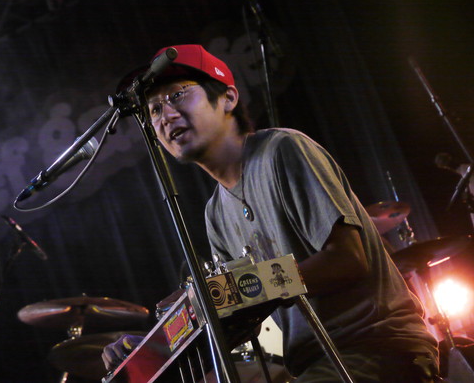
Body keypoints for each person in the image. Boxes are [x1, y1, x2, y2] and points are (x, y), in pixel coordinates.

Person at [102, 44, 439, 382]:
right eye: (154, 109)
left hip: (378, 345)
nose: (165, 116)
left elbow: (348, 260)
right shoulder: (216, 214)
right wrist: (156, 345)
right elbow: (241, 318)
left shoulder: (283, 150)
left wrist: (240, 288)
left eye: (177, 96)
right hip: (314, 363)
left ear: (228, 98)